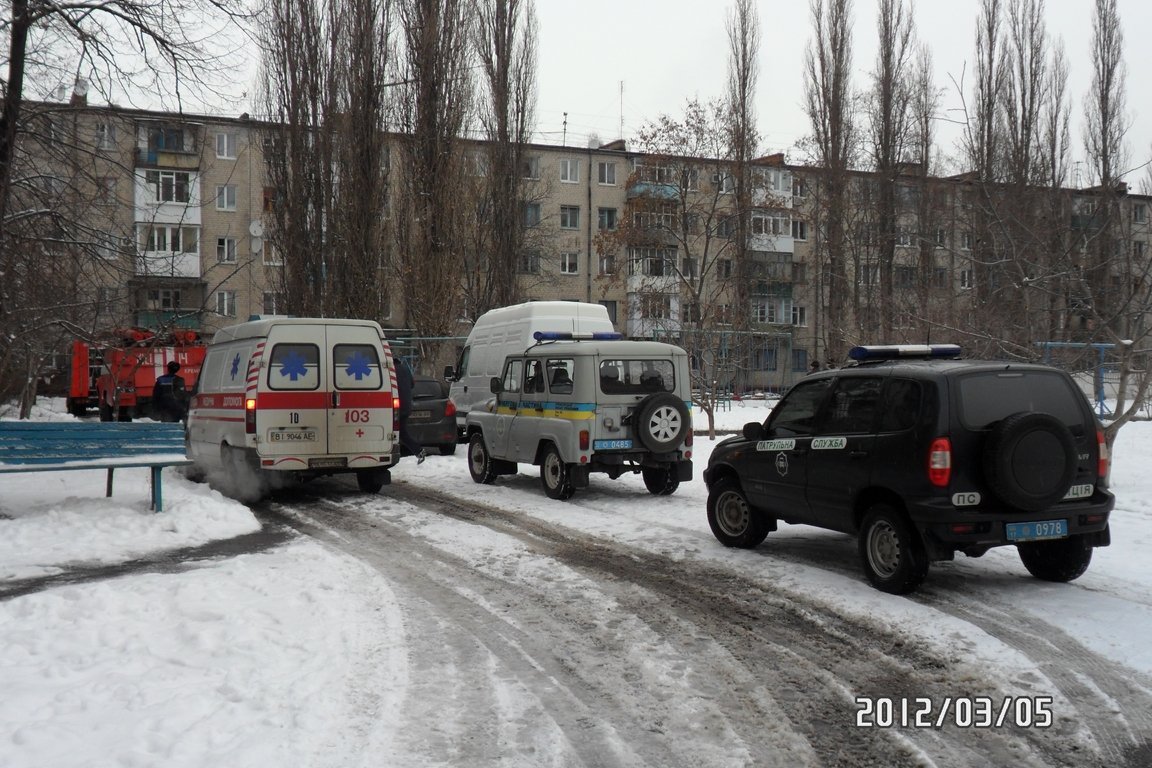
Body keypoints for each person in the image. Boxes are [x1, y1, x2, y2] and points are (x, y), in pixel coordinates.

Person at [395, 358, 426, 464]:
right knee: (401, 433)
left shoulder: (391, 371)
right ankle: (418, 451)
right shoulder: (405, 369)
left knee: (397, 433)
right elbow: (412, 384)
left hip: (395, 407)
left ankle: (418, 451)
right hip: (406, 406)